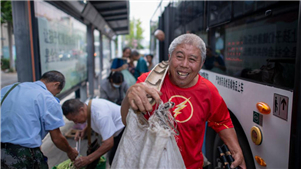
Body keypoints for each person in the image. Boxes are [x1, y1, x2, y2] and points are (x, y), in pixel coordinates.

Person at [120, 33, 246, 169]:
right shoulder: (148, 83)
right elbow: (126, 121)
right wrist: (129, 96)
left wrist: (236, 150)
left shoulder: (208, 91)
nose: (184, 65)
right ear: (169, 57)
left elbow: (222, 121)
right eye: (179, 57)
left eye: (192, 59)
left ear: (201, 64)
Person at [1, 70, 78, 169]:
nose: (54, 95)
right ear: (56, 84)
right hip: (23, 155)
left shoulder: (10, 89)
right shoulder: (48, 98)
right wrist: (70, 151)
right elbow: (57, 138)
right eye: (56, 93)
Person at [62, 98, 125, 168]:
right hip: (115, 132)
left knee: (116, 162)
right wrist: (85, 130)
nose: (75, 123)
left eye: (75, 119)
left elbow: (109, 143)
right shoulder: (88, 105)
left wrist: (88, 159)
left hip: (123, 132)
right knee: (113, 159)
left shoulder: (101, 115)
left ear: (81, 110)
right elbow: (92, 118)